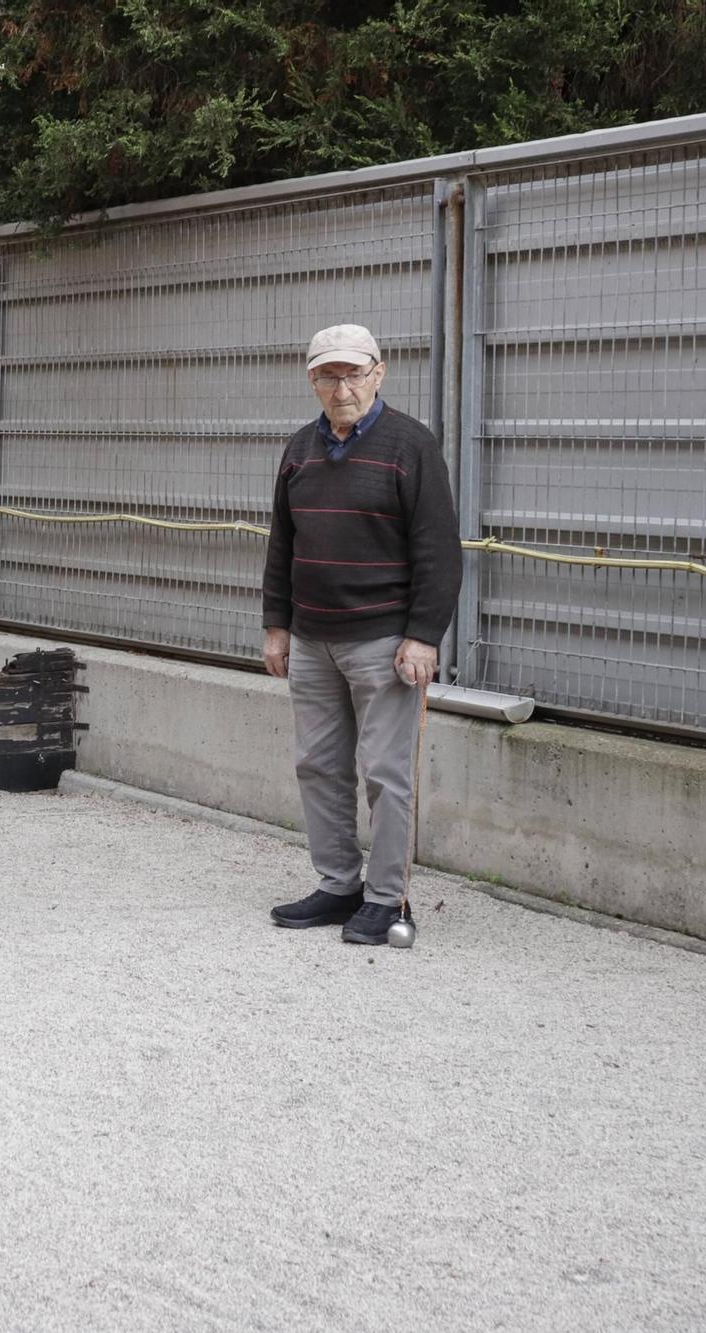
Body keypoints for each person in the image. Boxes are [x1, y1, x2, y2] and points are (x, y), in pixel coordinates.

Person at [261, 324, 462, 945]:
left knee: (384, 770)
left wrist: (424, 635)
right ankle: (338, 884)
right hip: (313, 637)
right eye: (328, 374)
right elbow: (282, 545)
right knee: (318, 766)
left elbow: (438, 550)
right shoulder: (299, 449)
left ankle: (386, 898)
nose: (341, 387)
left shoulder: (411, 446)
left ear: (380, 373)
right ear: (312, 380)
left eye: (353, 373)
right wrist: (277, 625)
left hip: (384, 640)